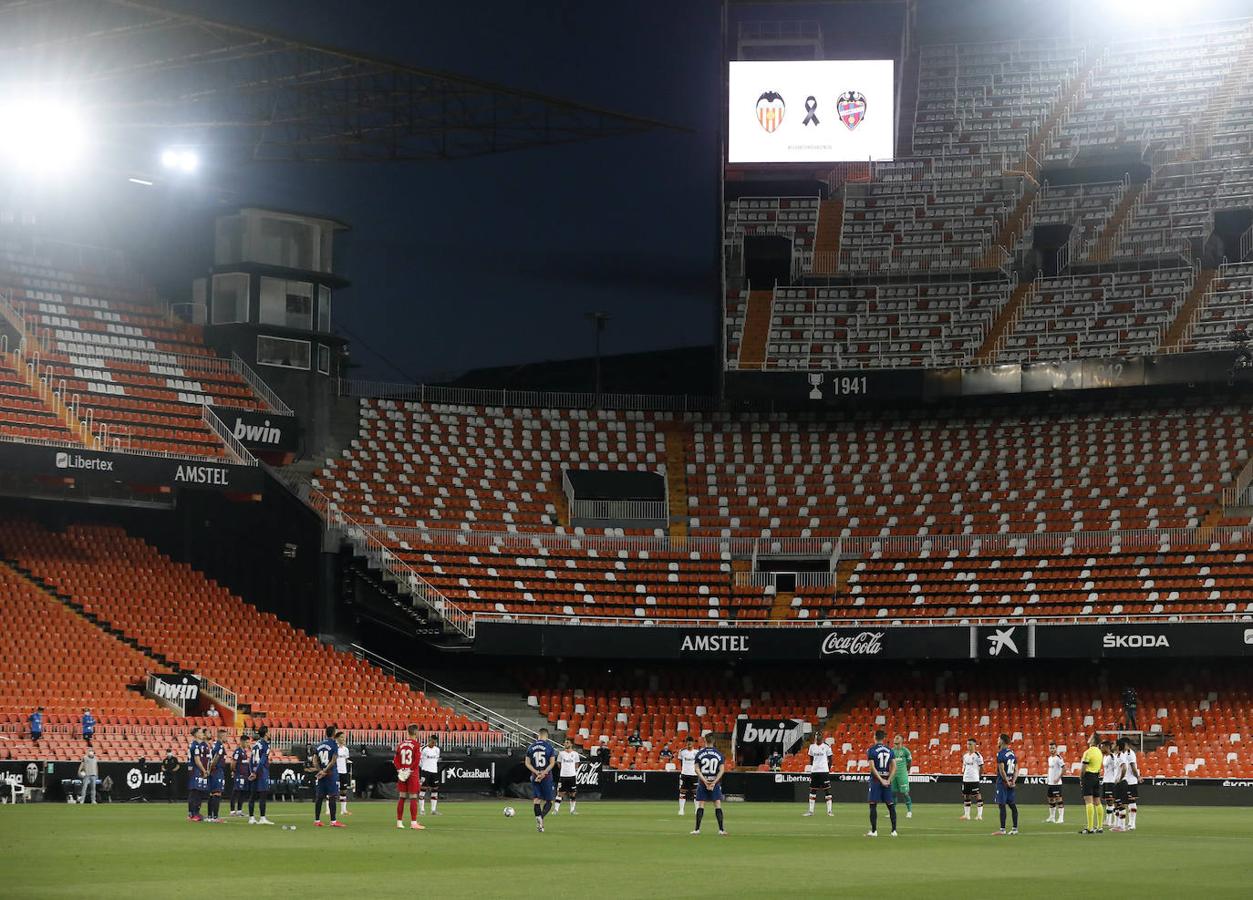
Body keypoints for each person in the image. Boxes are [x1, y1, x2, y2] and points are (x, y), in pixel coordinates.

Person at [691, 733, 726, 836]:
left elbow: (697, 769)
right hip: (714, 783)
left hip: (703, 782)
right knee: (717, 805)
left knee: (701, 805)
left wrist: (705, 781)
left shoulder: (699, 754)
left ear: (705, 741)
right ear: (714, 741)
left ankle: (697, 829)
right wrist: (714, 782)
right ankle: (721, 830)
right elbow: (722, 770)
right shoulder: (719, 754)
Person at [525, 727, 558, 833]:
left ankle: (540, 824)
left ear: (538, 735)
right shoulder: (549, 747)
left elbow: (527, 763)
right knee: (549, 801)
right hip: (546, 777)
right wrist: (543, 773)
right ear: (546, 736)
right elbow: (552, 763)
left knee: (536, 800)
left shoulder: (531, 747)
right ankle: (541, 817)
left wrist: (536, 772)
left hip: (535, 776)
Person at [866, 729, 897, 837]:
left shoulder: (871, 750)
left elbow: (872, 767)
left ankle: (874, 831)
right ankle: (894, 831)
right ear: (884, 738)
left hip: (876, 780)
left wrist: (880, 779)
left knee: (873, 805)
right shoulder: (889, 750)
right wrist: (889, 779)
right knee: (890, 805)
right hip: (886, 778)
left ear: (874, 737)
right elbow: (894, 766)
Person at [393, 724, 424, 830]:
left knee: (402, 797)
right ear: (415, 732)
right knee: (413, 798)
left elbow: (395, 760)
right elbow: (416, 760)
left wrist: (400, 770)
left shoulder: (401, 744)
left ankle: (399, 822)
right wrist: (410, 770)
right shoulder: (416, 744)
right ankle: (413, 822)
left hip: (402, 773)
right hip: (412, 774)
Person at [312, 725, 344, 827]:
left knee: (319, 797)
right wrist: (325, 771)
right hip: (330, 774)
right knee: (332, 796)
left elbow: (314, 760)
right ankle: (333, 821)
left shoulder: (319, 745)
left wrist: (320, 771)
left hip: (321, 775)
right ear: (334, 733)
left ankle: (317, 820)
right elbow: (333, 761)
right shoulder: (334, 745)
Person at [993, 733, 1019, 836]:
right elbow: (1016, 769)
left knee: (1002, 805)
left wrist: (1007, 782)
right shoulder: (1012, 753)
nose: (997, 740)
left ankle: (1002, 829)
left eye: (998, 739)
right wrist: (1013, 781)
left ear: (1002, 741)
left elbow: (1002, 770)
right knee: (1012, 805)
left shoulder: (1000, 754)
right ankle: (1015, 828)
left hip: (1002, 783)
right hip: (1010, 782)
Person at [247, 725, 274, 825]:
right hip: (261, 772)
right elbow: (262, 760)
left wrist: (251, 772)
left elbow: (250, 760)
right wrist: (256, 772)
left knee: (252, 795)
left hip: (254, 770)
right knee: (262, 795)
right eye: (269, 732)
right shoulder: (266, 745)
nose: (270, 733)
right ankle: (262, 818)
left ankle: (251, 818)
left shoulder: (255, 744)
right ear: (266, 733)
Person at [804, 730, 833, 817]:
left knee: (827, 790)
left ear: (822, 737)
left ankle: (829, 811)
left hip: (824, 771)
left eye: (819, 736)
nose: (818, 738)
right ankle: (811, 811)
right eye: (817, 736)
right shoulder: (812, 747)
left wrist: (827, 768)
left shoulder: (826, 747)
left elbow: (830, 759)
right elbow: (811, 759)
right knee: (813, 790)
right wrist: (814, 767)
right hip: (815, 771)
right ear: (815, 737)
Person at [1079, 734, 1104, 834]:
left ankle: (1090, 827)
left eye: (1090, 737)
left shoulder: (1088, 752)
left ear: (1093, 740)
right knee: (1097, 801)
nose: (1088, 738)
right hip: (1096, 777)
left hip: (1088, 777)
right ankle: (1100, 826)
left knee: (1088, 801)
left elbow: (1084, 768)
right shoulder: (1099, 752)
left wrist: (1081, 778)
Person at [1114, 737, 1140, 831]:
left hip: (1131, 780)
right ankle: (1120, 823)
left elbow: (1133, 766)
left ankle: (1132, 823)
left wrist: (1137, 777)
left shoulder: (1130, 753)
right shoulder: (1121, 754)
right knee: (1123, 802)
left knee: (1131, 801)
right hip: (1125, 780)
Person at [187, 727, 209, 822]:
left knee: (199, 792)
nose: (202, 734)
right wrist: (204, 770)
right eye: (200, 732)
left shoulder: (200, 745)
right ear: (196, 734)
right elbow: (197, 760)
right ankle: (192, 814)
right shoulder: (195, 746)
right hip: (195, 770)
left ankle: (196, 812)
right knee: (194, 792)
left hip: (198, 770)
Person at [206, 728, 228, 823]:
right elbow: (216, 758)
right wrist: (211, 769)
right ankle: (215, 817)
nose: (227, 737)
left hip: (213, 771)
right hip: (216, 771)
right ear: (221, 736)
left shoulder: (214, 745)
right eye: (226, 735)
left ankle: (210, 816)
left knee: (212, 794)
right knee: (217, 793)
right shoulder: (220, 746)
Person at [554, 739, 581, 815]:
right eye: (565, 742)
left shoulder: (575, 754)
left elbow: (577, 764)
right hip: (563, 776)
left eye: (567, 742)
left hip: (572, 776)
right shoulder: (561, 753)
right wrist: (564, 769)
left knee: (573, 793)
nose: (565, 744)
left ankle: (572, 810)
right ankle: (556, 810)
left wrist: (573, 770)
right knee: (560, 793)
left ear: (571, 744)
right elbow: (558, 763)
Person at [960, 738, 984, 821]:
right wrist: (963, 774)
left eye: (970, 744)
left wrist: (978, 776)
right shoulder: (965, 756)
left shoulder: (978, 755)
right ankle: (967, 815)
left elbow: (981, 767)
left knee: (977, 795)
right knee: (966, 795)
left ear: (974, 745)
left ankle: (979, 815)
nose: (968, 746)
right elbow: (964, 766)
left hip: (974, 779)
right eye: (967, 744)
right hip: (966, 779)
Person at [892, 734, 914, 818]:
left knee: (905, 793)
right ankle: (892, 811)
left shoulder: (905, 751)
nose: (895, 739)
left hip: (902, 774)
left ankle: (909, 811)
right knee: (892, 793)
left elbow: (909, 762)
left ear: (901, 740)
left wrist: (907, 770)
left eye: (897, 738)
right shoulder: (891, 751)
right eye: (895, 737)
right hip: (893, 775)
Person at [230, 734, 252, 817]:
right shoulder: (238, 751)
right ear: (242, 742)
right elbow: (233, 762)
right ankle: (232, 811)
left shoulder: (244, 752)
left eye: (248, 742)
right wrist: (233, 771)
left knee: (242, 792)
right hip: (239, 775)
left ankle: (239, 810)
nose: (247, 744)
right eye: (246, 742)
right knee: (235, 792)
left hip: (245, 775)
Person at [419, 735, 441, 816]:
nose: (433, 743)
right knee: (423, 790)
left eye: (435, 742)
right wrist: (424, 768)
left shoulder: (437, 749)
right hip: (425, 771)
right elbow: (419, 760)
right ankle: (422, 810)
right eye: (432, 741)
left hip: (434, 772)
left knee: (435, 790)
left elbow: (436, 760)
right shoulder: (423, 749)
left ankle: (433, 810)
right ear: (429, 740)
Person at [1045, 741, 1065, 824]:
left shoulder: (1058, 758)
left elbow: (1064, 769)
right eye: (1050, 748)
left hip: (1057, 783)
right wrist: (1048, 777)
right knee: (1050, 799)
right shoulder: (1049, 758)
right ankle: (1052, 817)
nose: (1052, 749)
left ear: (1056, 748)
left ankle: (1061, 818)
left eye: (1053, 748)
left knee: (1058, 799)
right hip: (1050, 783)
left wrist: (1058, 778)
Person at [677, 735, 698, 816]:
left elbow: (698, 763)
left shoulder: (696, 752)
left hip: (694, 775)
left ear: (693, 743)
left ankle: (696, 810)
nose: (689, 743)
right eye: (688, 741)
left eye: (691, 741)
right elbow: (680, 762)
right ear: (686, 742)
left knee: (696, 793)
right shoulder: (682, 751)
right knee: (682, 792)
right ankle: (681, 810)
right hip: (685, 774)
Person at [1101, 739, 1118, 830]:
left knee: (1113, 800)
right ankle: (1108, 821)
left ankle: (1115, 821)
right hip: (1106, 781)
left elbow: (1116, 768)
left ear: (1107, 747)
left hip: (1111, 781)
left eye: (1102, 747)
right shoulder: (1105, 757)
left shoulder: (1112, 757)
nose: (1101, 749)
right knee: (1108, 801)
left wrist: (1115, 779)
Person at [336, 732, 351, 818]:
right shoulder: (335, 749)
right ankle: (328, 809)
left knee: (343, 791)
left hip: (343, 772)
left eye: (344, 737)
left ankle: (343, 810)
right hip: (336, 772)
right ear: (337, 738)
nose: (343, 739)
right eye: (341, 737)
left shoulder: (346, 749)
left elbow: (345, 760)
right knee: (333, 791)